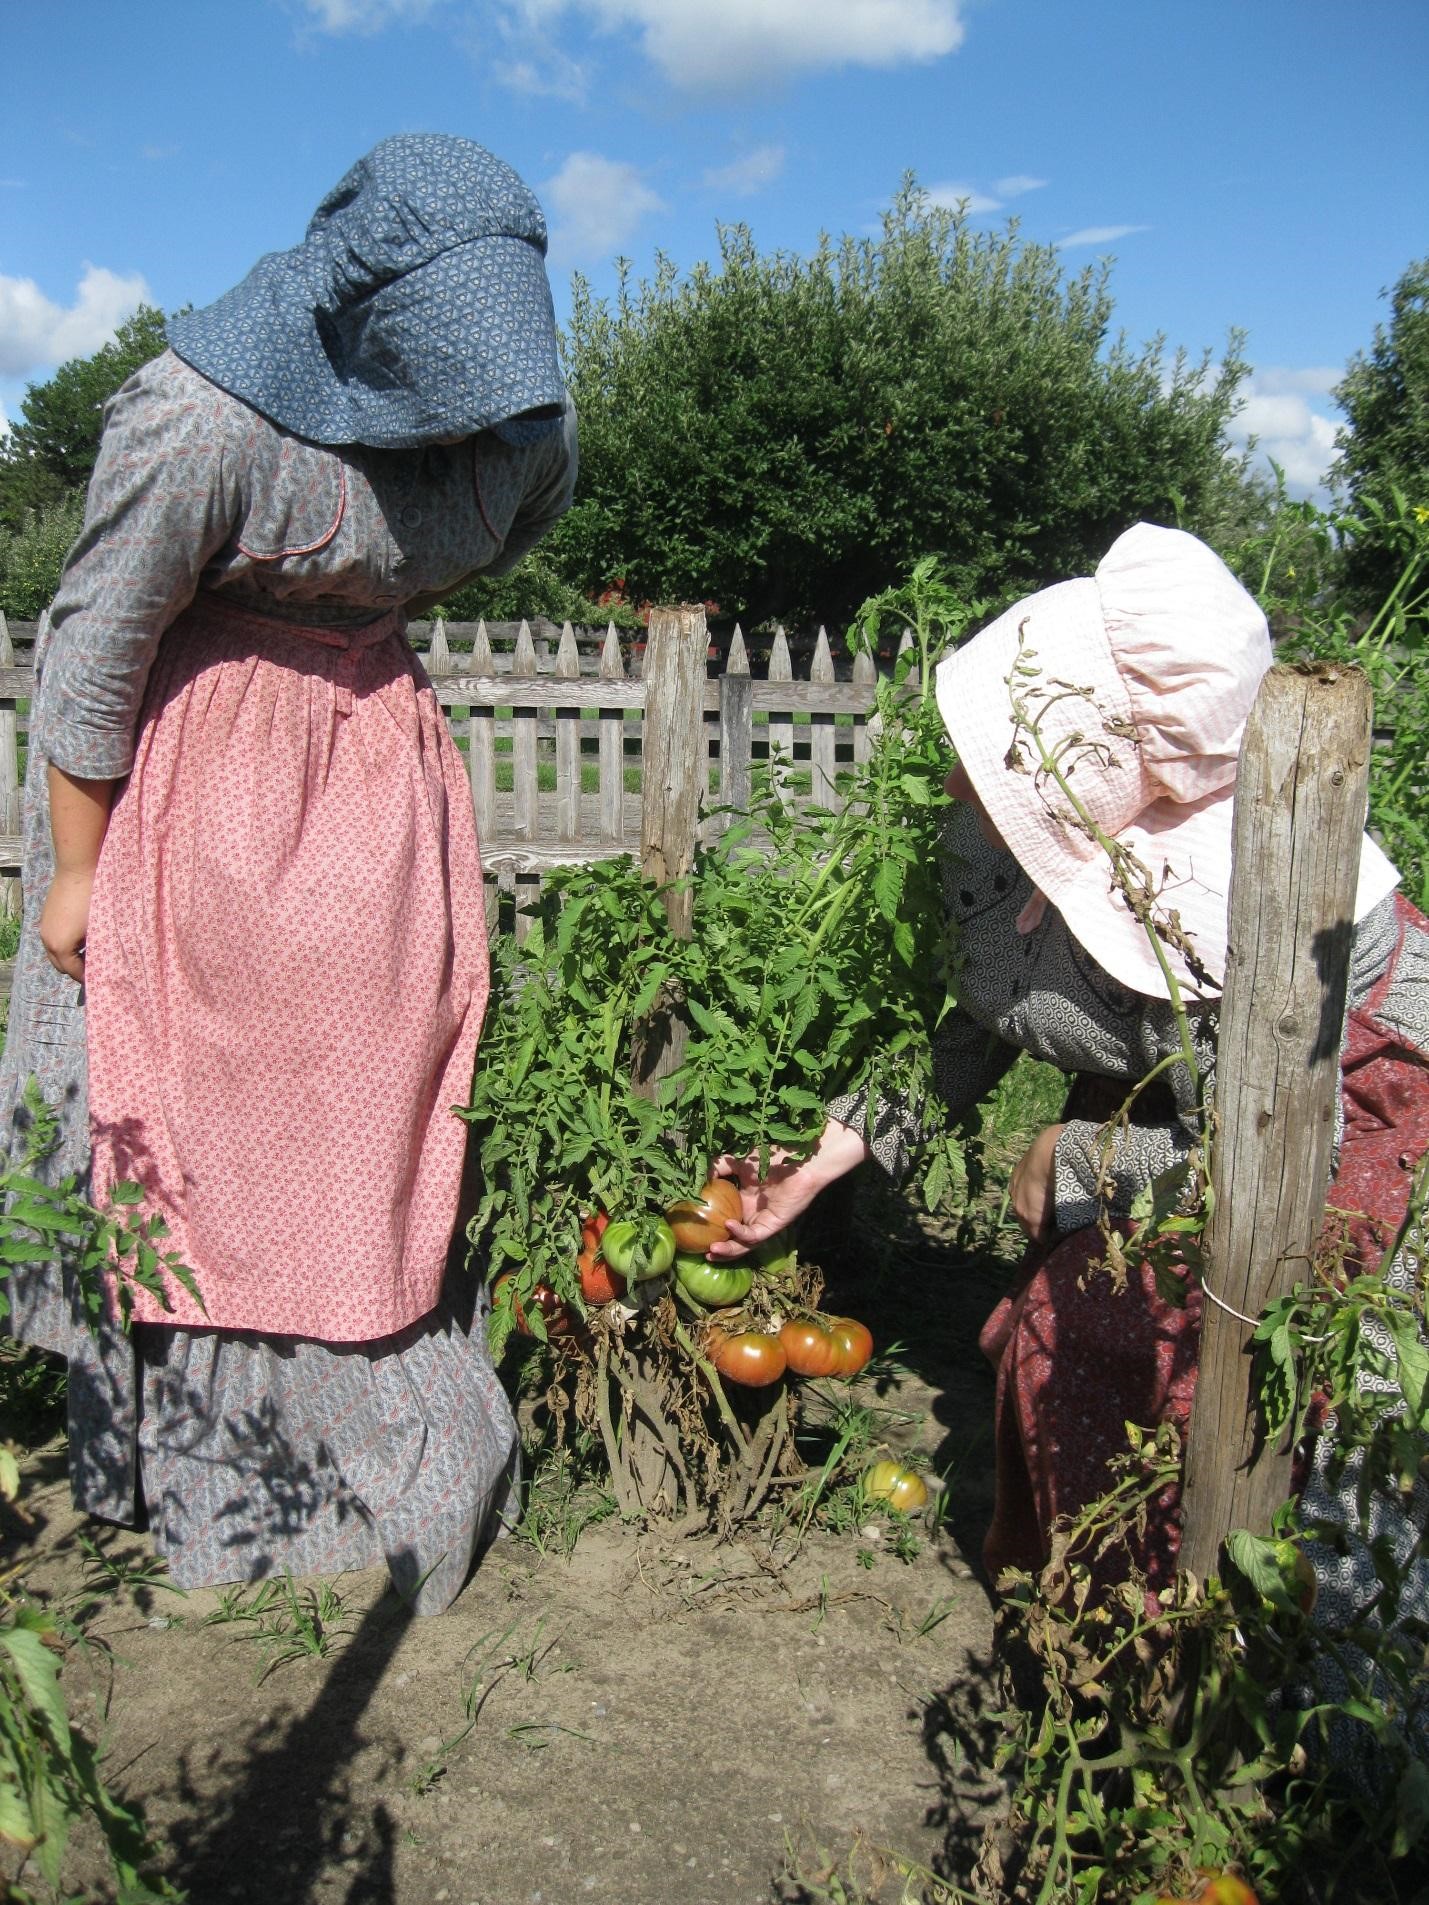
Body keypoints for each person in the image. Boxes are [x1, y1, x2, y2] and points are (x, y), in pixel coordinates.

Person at [0, 133, 578, 1614]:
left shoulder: (520, 436)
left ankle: (355, 1435)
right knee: (186, 1103)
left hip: (377, 779)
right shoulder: (202, 420)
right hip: (207, 780)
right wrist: (76, 874)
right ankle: (192, 1452)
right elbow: (94, 653)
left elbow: (480, 536)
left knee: (360, 1101)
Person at [711, 523, 1429, 1603]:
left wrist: (1080, 1157)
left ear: (1093, 778)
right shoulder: (979, 826)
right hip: (1172, 1107)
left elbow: (1283, 1171)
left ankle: (1212, 1666)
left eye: (993, 743)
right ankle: (1089, 1616)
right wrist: (825, 1158)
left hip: (1346, 1105)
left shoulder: (1236, 925)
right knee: (1068, 1326)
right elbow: (971, 1021)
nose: (951, 769)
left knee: (1222, 1374)